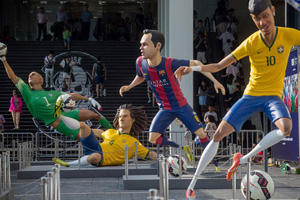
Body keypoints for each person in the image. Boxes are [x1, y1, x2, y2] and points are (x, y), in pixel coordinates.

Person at [175, 0, 300, 197]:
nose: (262, 22)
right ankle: (191, 184)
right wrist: (193, 68)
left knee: (286, 128)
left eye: (265, 16)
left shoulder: (289, 35)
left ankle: (243, 158)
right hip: (251, 96)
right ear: (253, 19)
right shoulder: (251, 42)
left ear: (273, 11)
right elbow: (218, 66)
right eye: (257, 19)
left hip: (273, 97)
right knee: (217, 135)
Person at [119, 29, 225, 162]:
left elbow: (197, 63)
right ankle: (181, 147)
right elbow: (140, 76)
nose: (141, 47)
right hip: (165, 109)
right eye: (141, 44)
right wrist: (129, 86)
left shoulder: (170, 63)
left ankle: (214, 163)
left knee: (201, 133)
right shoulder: (140, 62)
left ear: (158, 46)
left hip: (181, 106)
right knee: (152, 138)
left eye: (145, 44)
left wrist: (215, 81)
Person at [0, 56, 113, 142]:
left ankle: (115, 132)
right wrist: (4, 59)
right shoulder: (27, 92)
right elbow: (13, 77)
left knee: (95, 115)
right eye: (29, 75)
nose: (30, 75)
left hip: (67, 114)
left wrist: (89, 99)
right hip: (59, 123)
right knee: (87, 135)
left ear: (41, 80)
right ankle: (111, 141)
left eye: (33, 74)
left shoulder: (52, 93)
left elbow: (71, 95)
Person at [53, 104, 157, 167]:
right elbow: (92, 132)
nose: (121, 119)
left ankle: (67, 164)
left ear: (133, 120)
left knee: (95, 157)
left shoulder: (134, 143)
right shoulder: (110, 132)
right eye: (120, 116)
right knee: (84, 127)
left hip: (100, 158)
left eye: (125, 116)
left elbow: (150, 154)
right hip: (94, 147)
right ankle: (60, 117)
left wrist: (166, 159)